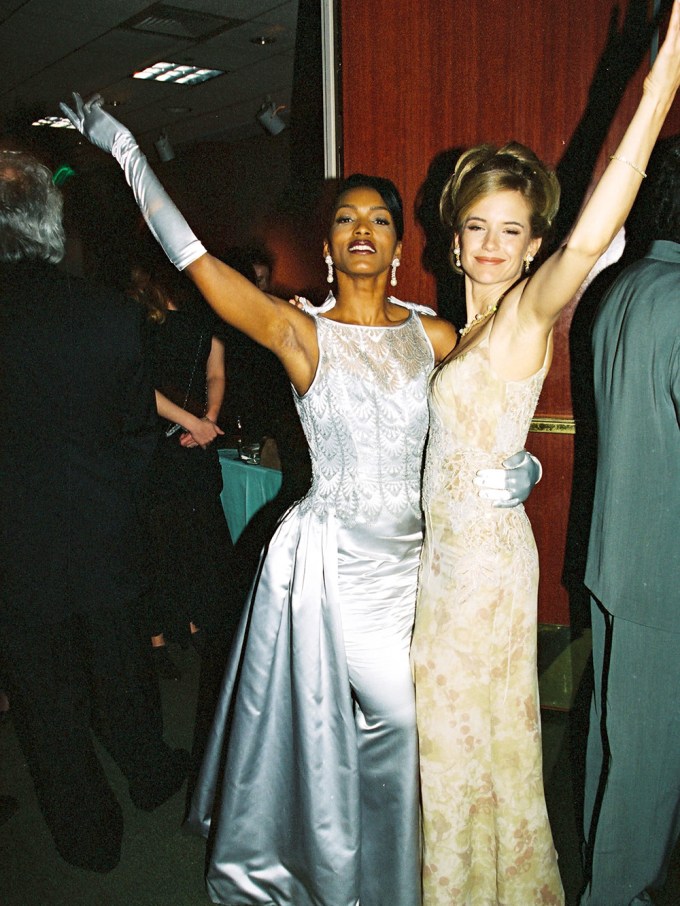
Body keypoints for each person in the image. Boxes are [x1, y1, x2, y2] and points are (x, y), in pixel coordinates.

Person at [59, 91, 541, 905]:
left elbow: (495, 413)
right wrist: (128, 151)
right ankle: (383, 884)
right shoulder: (300, 331)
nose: (362, 230)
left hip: (435, 565)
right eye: (347, 219)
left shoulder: (435, 337)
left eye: (379, 220)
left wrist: (518, 470)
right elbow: (198, 265)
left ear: (398, 245)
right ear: (328, 246)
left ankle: (405, 865)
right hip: (344, 563)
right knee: (404, 720)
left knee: (427, 729)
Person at [410, 7, 680, 904]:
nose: (493, 247)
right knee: (469, 753)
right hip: (445, 570)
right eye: (478, 229)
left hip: (482, 579)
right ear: (454, 240)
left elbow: (594, 234)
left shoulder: (524, 316)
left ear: (533, 246)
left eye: (512, 232)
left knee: (462, 750)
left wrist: (659, 90)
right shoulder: (456, 333)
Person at [0, 150, 189, 872]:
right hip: (102, 527)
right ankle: (147, 773)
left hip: (13, 544)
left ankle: (88, 838)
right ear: (51, 226)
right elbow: (137, 431)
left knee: (45, 705)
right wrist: (119, 501)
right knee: (120, 669)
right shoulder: (108, 313)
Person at [578, 137, 680, 906]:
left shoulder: (623, 285)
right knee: (650, 759)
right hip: (664, 569)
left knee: (612, 743)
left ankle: (608, 874)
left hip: (617, 552)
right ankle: (616, 894)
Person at [128, 253, 233, 681]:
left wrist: (208, 418)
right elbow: (137, 387)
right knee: (156, 543)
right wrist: (194, 421)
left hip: (195, 442)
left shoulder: (206, 315)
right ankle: (156, 641)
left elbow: (217, 373)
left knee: (200, 537)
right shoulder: (137, 318)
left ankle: (191, 624)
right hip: (153, 444)